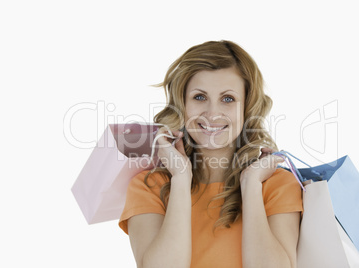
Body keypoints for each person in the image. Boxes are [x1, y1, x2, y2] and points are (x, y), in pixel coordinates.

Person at [119, 40, 303, 268]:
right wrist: (181, 178)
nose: (212, 113)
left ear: (247, 107)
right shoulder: (150, 187)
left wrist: (251, 185)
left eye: (228, 99)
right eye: (199, 97)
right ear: (182, 104)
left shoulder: (277, 185)